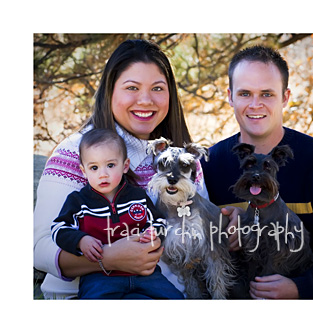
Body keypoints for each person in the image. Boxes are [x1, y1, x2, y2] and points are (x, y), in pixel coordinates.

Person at [34, 39, 208, 299]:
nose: (146, 99)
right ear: (110, 91)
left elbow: (200, 231)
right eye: (132, 88)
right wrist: (107, 258)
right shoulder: (74, 153)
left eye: (157, 88)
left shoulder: (182, 160)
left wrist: (224, 226)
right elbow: (39, 248)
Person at [201, 45, 313, 299]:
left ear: (285, 97)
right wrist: (222, 229)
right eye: (245, 93)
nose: (255, 104)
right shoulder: (210, 164)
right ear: (230, 96)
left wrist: (300, 287)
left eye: (267, 94)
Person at [51, 128, 183, 299]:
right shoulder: (79, 201)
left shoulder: (138, 197)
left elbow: (159, 221)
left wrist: (153, 233)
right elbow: (59, 228)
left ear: (125, 166)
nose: (103, 174)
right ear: (84, 171)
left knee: (175, 298)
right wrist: (80, 241)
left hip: (145, 274)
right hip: (100, 276)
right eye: (94, 168)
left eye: (111, 165)